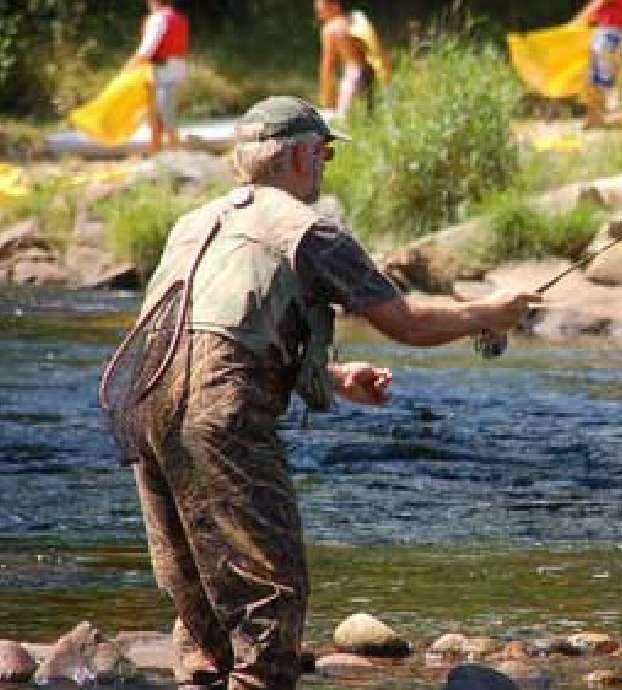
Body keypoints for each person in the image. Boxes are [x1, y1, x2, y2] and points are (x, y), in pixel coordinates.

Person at [106, 96, 538, 690]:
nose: (325, 165)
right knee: (269, 587)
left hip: (141, 399)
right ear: (300, 155)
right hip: (216, 407)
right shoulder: (310, 230)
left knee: (199, 585)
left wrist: (330, 378)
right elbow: (407, 322)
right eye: (325, 153)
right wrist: (488, 313)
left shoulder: (194, 223)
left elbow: (205, 329)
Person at [125, 0, 189, 152]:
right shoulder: (178, 18)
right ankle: (157, 153)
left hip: (162, 71)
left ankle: (176, 152)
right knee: (159, 114)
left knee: (162, 112)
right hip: (177, 68)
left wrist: (129, 67)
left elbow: (147, 49)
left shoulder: (157, 19)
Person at [315, 0, 390, 119]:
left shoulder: (330, 28)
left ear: (335, 5)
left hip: (353, 76)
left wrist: (326, 99)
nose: (320, 16)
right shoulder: (355, 20)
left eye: (321, 11)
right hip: (369, 73)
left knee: (345, 121)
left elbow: (328, 67)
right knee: (367, 118)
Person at [575, 0, 622, 129]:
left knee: (601, 79)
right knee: (594, 79)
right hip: (605, 31)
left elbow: (599, 3)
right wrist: (585, 18)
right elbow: (602, 8)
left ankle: (598, 117)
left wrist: (579, 20)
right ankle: (593, 117)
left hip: (611, 33)